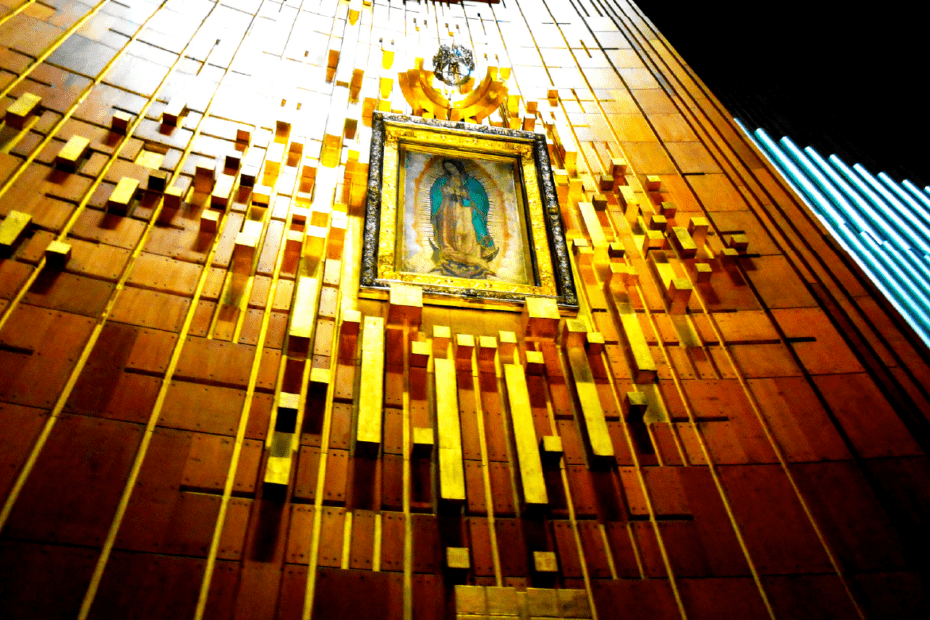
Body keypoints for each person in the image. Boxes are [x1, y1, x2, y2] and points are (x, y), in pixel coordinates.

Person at [429, 159, 498, 279]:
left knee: (468, 232)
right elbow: (436, 194)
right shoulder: (443, 181)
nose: (450, 170)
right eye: (448, 168)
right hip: (448, 210)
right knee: (450, 233)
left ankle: (472, 256)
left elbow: (479, 198)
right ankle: (452, 254)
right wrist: (445, 192)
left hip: (466, 210)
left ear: (458, 167)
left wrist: (466, 195)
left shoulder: (471, 183)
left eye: (452, 167)